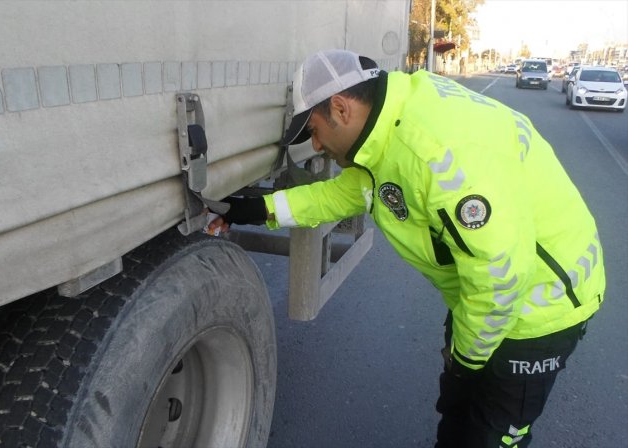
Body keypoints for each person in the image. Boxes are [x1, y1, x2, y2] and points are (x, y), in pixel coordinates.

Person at [207, 49, 605, 447]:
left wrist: (464, 366)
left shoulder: (436, 153)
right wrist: (257, 208)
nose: (315, 144)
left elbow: (499, 280)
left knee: (490, 434)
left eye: (312, 130)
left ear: (341, 109)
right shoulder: (392, 124)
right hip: (488, 295)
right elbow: (343, 195)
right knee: (456, 416)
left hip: (541, 304)